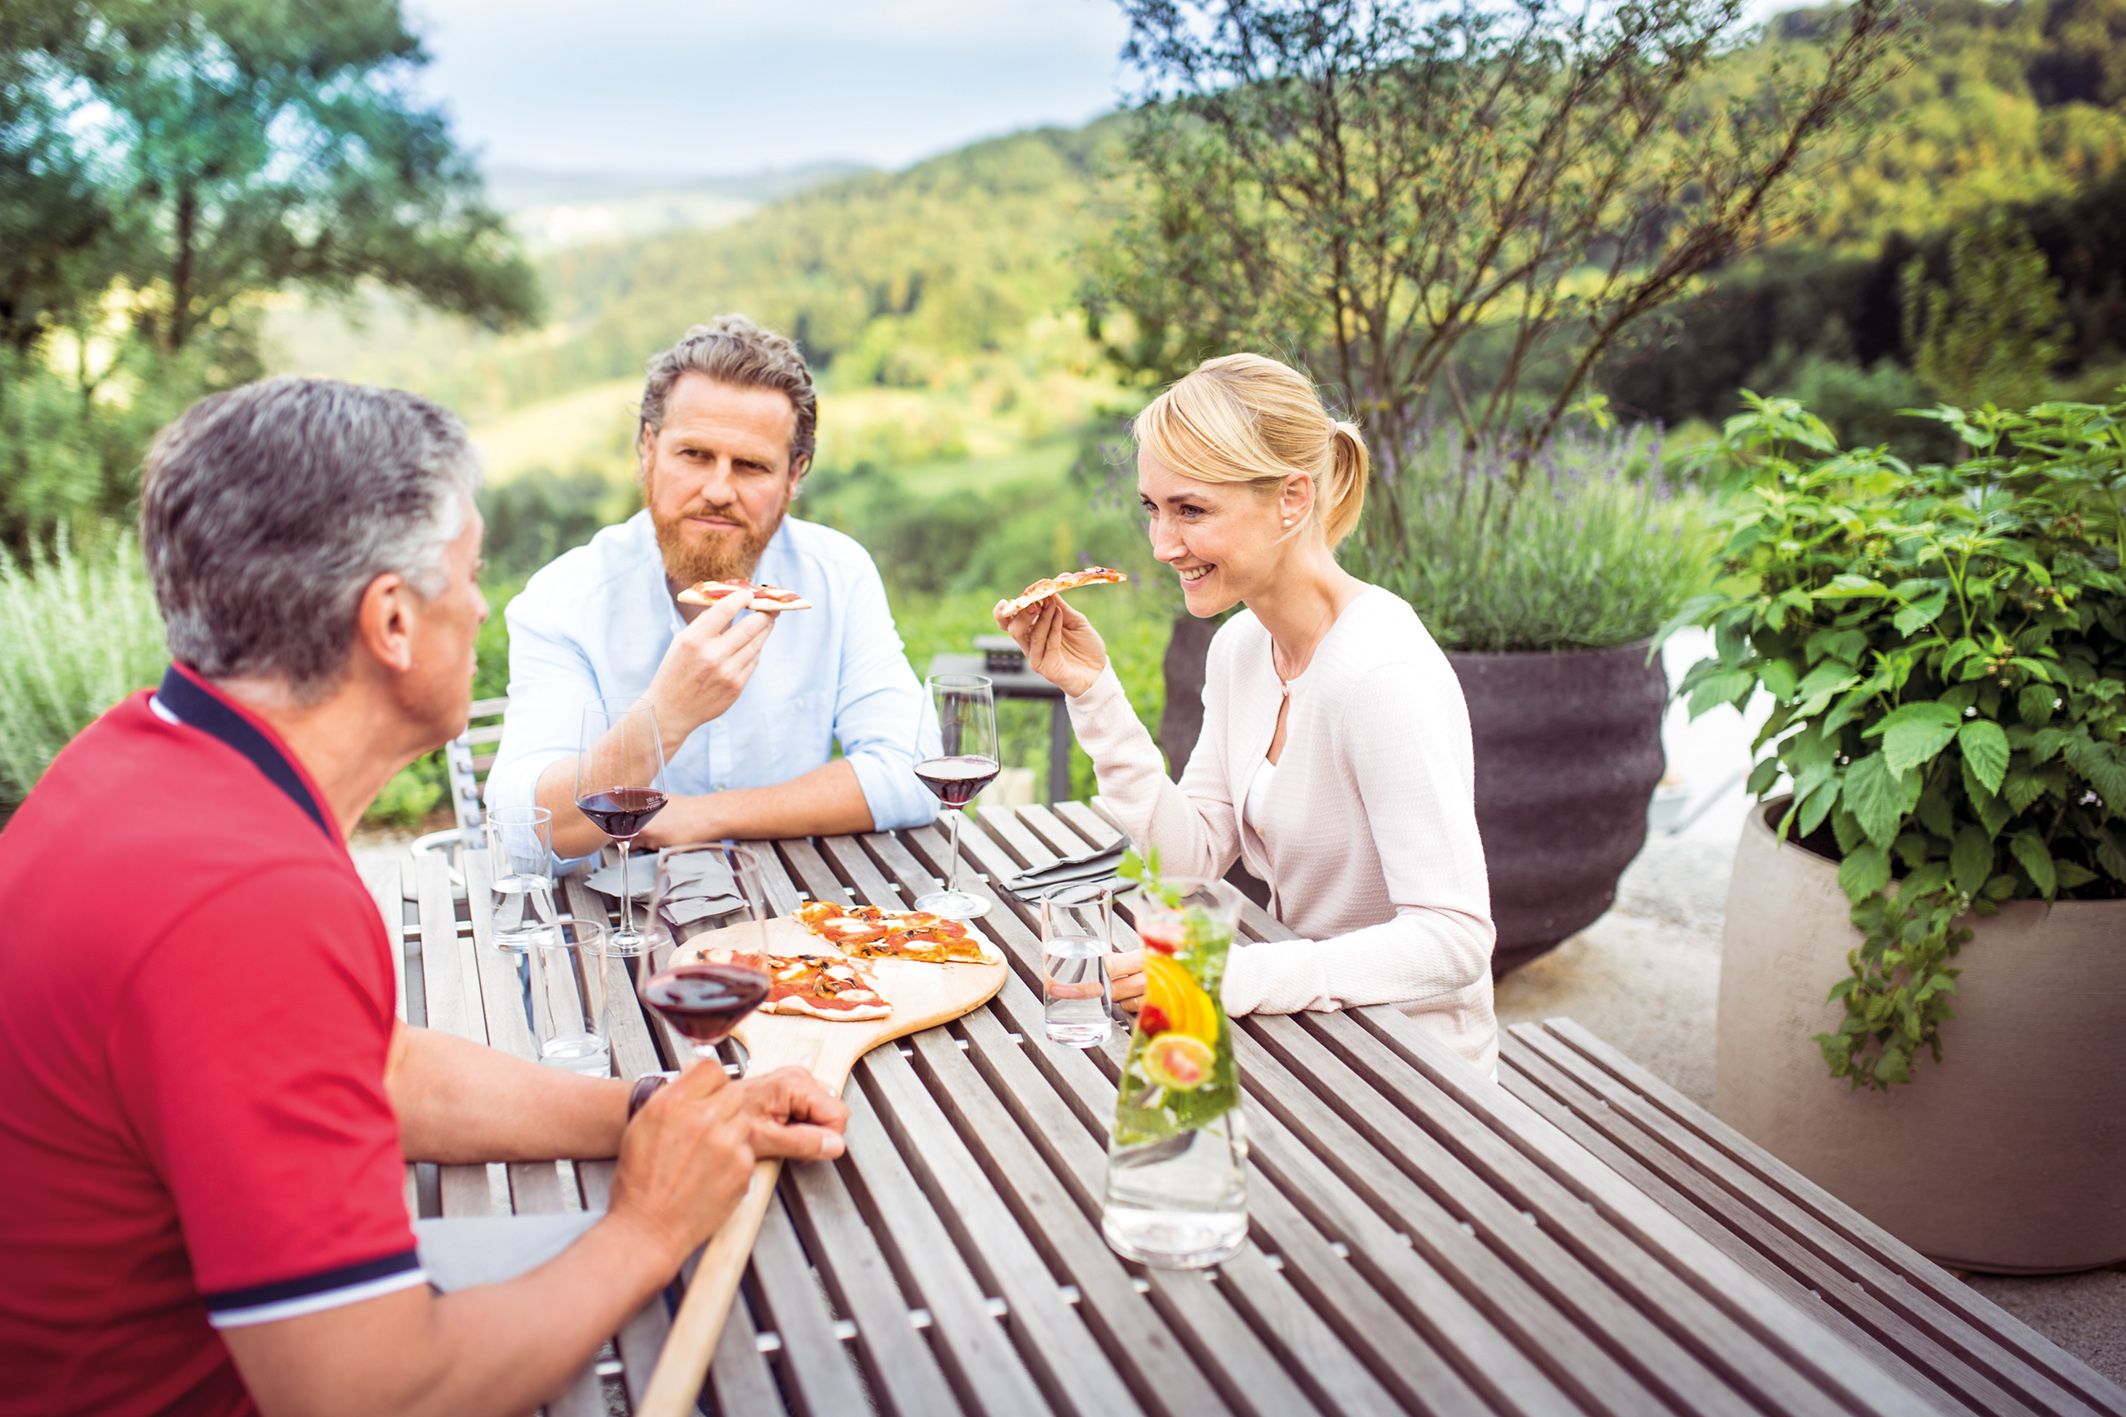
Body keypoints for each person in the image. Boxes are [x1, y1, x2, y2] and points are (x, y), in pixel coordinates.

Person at [0, 377, 848, 1417]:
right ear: (393, 621)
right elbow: (374, 1393)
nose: (482, 606)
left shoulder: (142, 761)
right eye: (471, 573)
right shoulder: (246, 902)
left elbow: (378, 1066)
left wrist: (649, 1109)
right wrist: (650, 1223)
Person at [996, 353, 1499, 1074]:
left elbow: (1454, 939)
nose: (1162, 544)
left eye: (1191, 510)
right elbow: (1190, 857)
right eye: (1152, 508)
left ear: (1292, 498)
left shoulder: (1382, 676)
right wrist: (1093, 691)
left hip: (1414, 1067)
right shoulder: (1240, 649)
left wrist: (1234, 976)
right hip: (1310, 1030)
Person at [486, 315, 937, 860]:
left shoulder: (838, 574)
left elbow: (916, 772)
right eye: (695, 455)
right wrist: (666, 715)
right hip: (614, 903)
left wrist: (706, 816)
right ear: (648, 449)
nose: (719, 490)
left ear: (794, 475)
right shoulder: (563, 599)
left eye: (751, 465)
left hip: (801, 901)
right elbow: (523, 828)